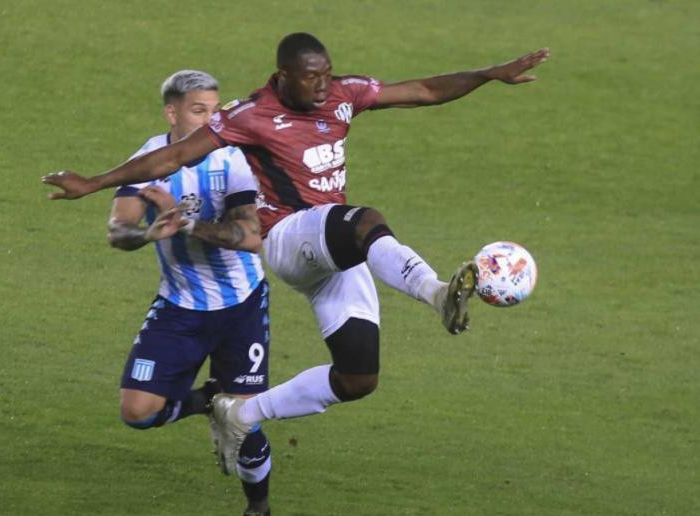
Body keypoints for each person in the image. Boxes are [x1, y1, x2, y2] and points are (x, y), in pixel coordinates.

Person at [43, 34, 550, 476]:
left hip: (333, 251)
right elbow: (173, 155)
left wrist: (487, 74)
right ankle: (438, 293)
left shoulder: (344, 95)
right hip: (288, 236)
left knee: (358, 378)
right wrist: (94, 183)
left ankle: (240, 414)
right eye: (313, 79)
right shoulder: (251, 115)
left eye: (328, 75)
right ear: (283, 77)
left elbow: (422, 90)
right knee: (363, 218)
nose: (324, 86)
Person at [107, 70, 272, 516]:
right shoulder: (148, 159)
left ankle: (259, 507)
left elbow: (251, 234)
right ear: (172, 112)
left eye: (215, 111)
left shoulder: (232, 156)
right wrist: (144, 235)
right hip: (180, 305)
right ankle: (207, 402)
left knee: (247, 420)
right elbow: (119, 229)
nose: (211, 121)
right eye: (200, 111)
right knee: (137, 410)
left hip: (241, 305)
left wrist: (187, 224)